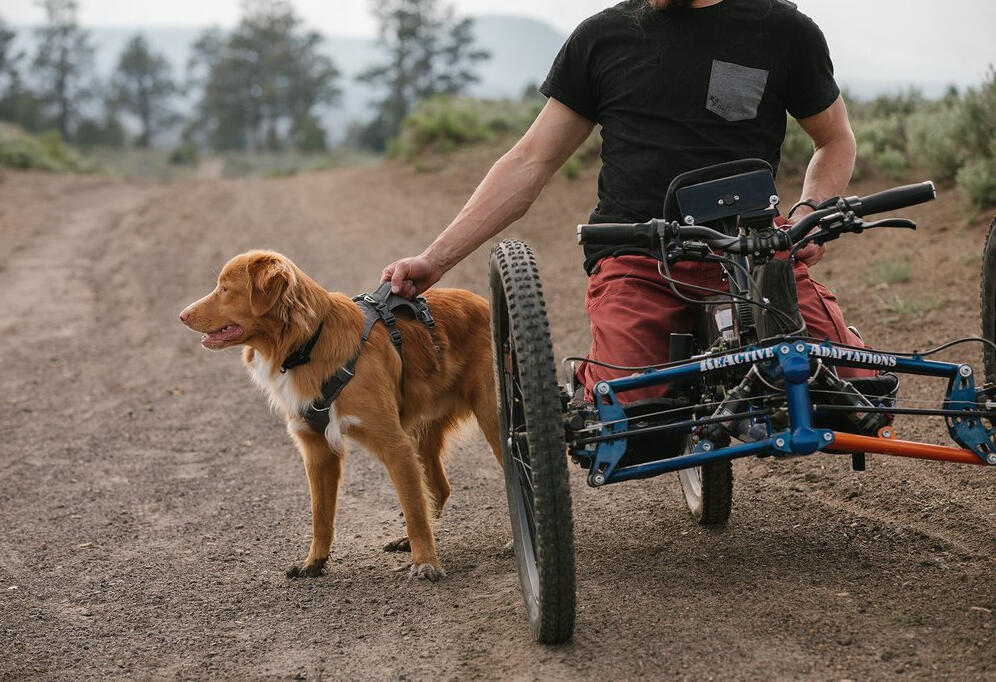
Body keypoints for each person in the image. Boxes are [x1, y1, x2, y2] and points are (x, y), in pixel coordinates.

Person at [382, 0, 872, 402]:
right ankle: (589, 384)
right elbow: (530, 162)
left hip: (754, 253)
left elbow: (835, 140)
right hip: (638, 256)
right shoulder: (602, 39)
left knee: (852, 393)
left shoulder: (783, 30)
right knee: (630, 410)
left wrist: (811, 210)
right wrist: (434, 260)